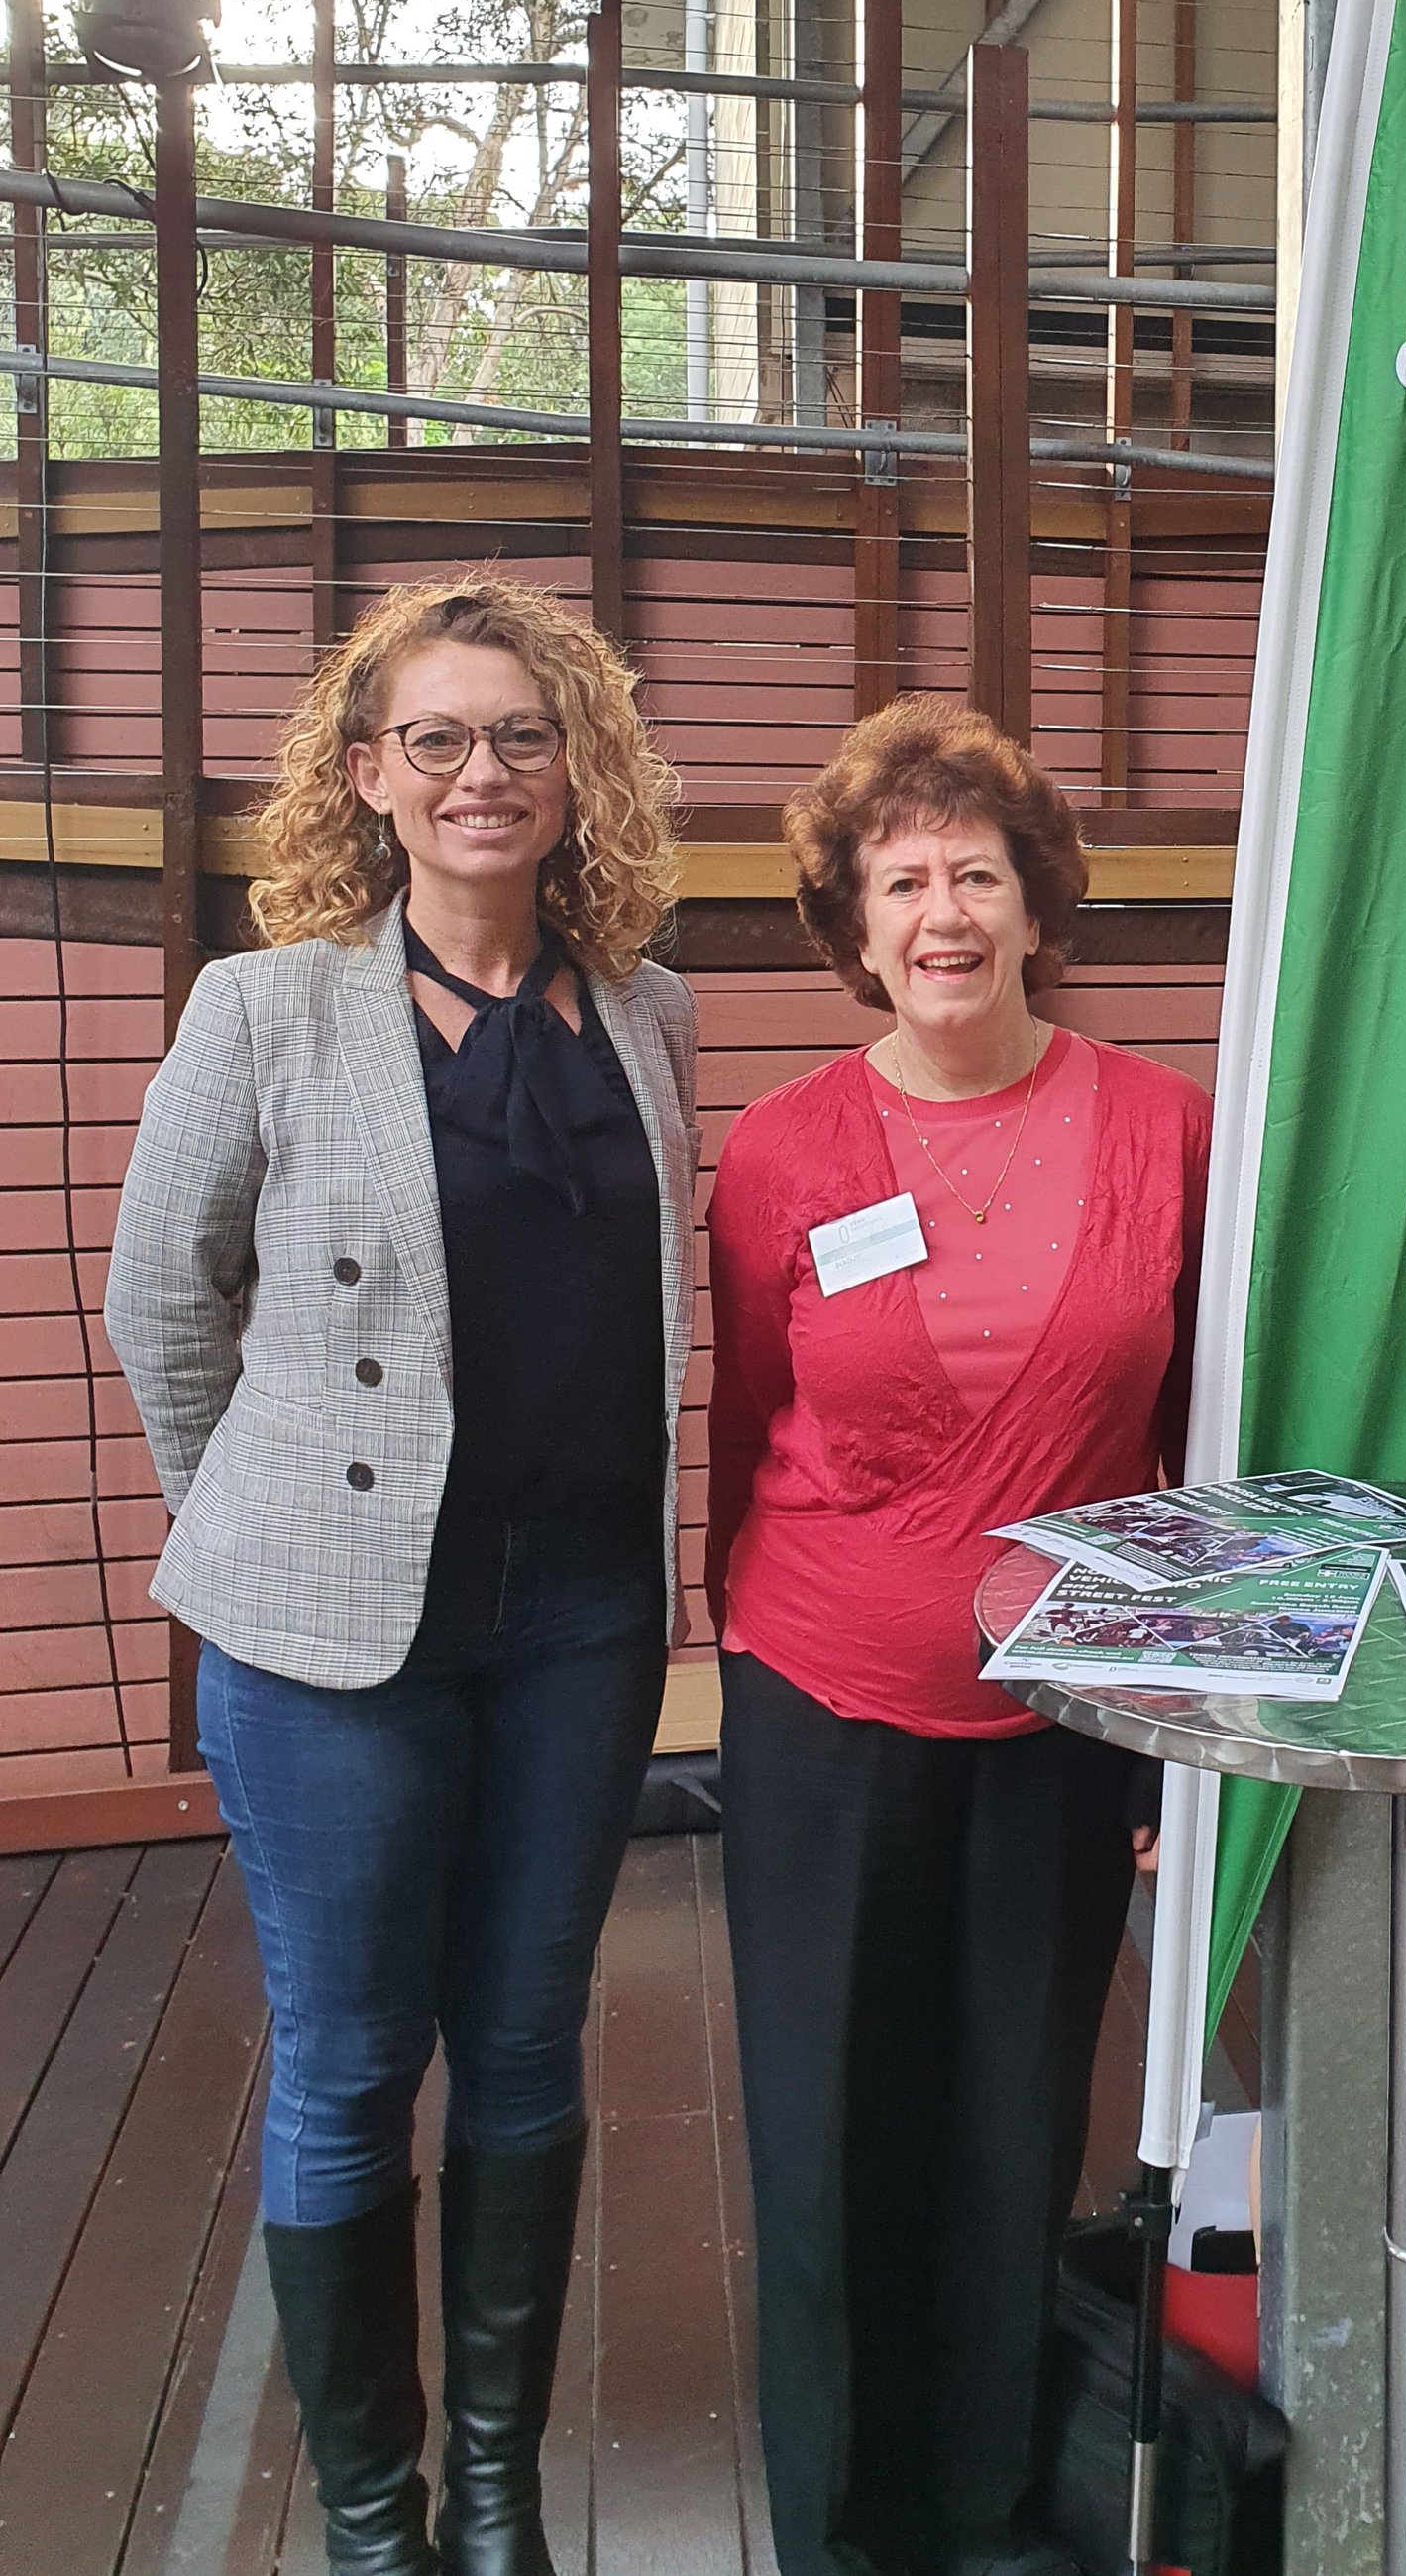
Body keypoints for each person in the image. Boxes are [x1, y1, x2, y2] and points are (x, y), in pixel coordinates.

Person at [104, 577, 698, 2576]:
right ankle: (376, 2518)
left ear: (571, 763)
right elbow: (158, 1305)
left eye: (518, 734)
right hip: (329, 1633)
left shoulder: (643, 1005)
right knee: (354, 2051)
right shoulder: (259, 1008)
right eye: (434, 738)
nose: (479, 772)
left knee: (526, 2037)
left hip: (582, 1621)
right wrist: (266, 1530)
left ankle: (500, 2492)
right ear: (362, 775)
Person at [706, 695, 1213, 2576]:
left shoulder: (1165, 1131)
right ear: (852, 921)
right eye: (900, 876)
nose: (940, 910)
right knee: (831, 2137)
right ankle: (844, 2529)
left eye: (975, 872)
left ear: (1034, 904)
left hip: (1069, 1714)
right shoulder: (780, 1152)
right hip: (821, 1697)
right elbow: (747, 1420)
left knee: (1017, 2128)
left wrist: (1177, 1724)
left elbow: (1192, 1460)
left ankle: (995, 2512)